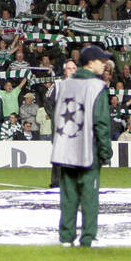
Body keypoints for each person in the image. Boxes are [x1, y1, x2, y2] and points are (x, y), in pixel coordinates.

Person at [50, 45, 112, 248]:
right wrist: (105, 151)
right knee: (89, 195)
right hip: (88, 148)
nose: (105, 64)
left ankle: (66, 237)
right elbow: (101, 122)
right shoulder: (97, 87)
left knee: (67, 196)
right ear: (90, 62)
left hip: (65, 145)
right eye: (101, 60)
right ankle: (88, 237)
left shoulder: (64, 85)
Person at [49, 59, 76, 188]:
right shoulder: (58, 84)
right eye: (69, 68)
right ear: (64, 70)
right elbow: (47, 100)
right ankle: (56, 182)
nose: (71, 71)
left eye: (74, 68)